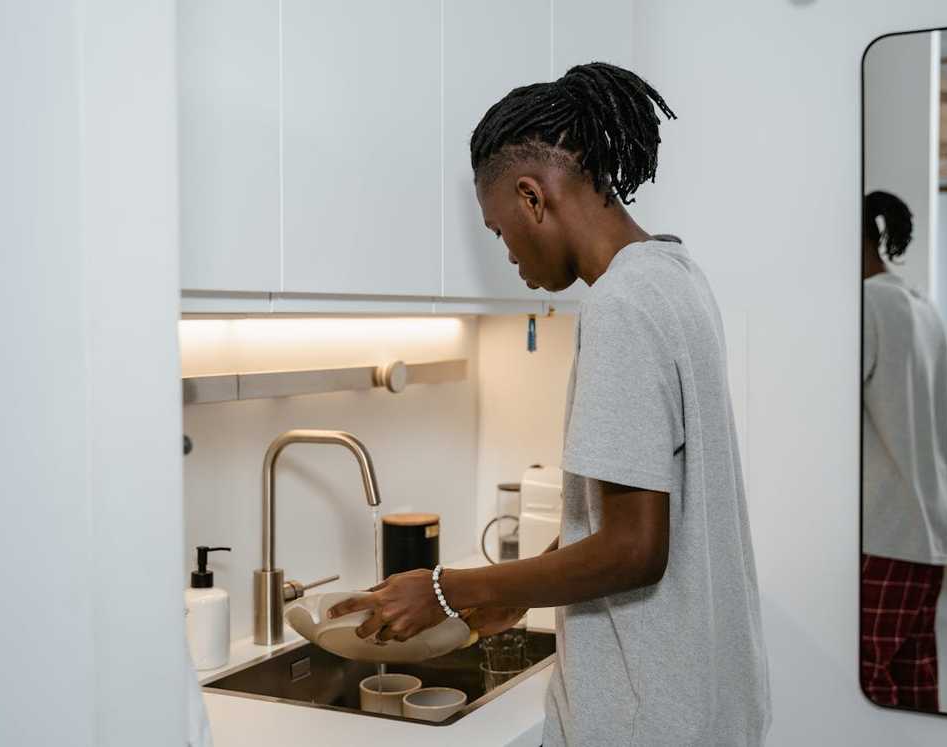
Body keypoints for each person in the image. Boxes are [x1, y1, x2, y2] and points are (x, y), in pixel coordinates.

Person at [329, 62, 770, 745]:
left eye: (499, 230)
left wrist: (451, 587)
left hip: (644, 719)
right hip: (712, 700)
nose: (507, 253)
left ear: (532, 197)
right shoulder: (676, 275)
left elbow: (635, 545)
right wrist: (514, 589)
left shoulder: (620, 307)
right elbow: (632, 499)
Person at [860, 190, 947, 713]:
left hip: (885, 532)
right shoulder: (922, 306)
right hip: (930, 533)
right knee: (914, 684)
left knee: (867, 683)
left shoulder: (869, 305)